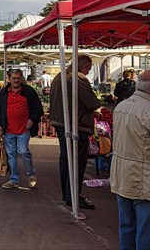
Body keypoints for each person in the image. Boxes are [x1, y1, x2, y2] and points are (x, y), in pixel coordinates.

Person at [110, 70, 150, 249]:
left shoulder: (122, 106)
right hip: (148, 187)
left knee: (128, 231)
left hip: (124, 181)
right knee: (149, 239)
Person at [50, 55, 101, 209]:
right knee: (77, 161)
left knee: (66, 158)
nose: (88, 72)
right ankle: (72, 196)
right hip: (76, 125)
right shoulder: (77, 78)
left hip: (61, 122)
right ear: (84, 67)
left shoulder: (59, 76)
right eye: (89, 69)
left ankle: (68, 194)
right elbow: (92, 103)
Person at [0, 68, 43, 189]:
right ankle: (14, 179)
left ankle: (31, 174)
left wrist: (31, 120)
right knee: (11, 155)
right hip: (9, 130)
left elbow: (38, 109)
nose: (16, 80)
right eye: (13, 78)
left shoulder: (28, 91)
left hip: (24, 130)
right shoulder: (4, 93)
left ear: (21, 78)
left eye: (18, 78)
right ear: (9, 79)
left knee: (23, 151)